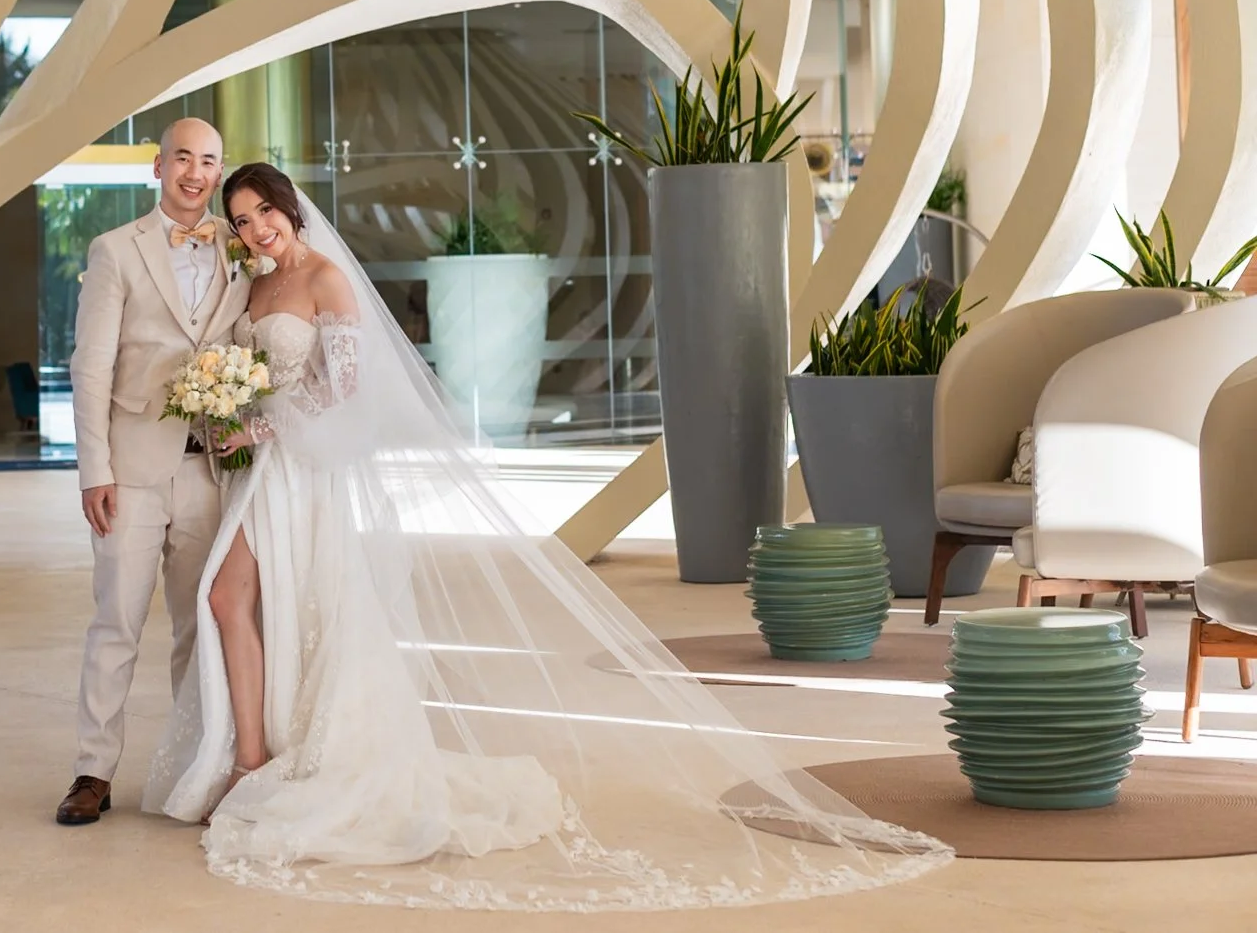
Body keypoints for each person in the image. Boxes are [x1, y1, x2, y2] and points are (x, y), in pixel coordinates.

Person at [142, 162, 952, 912]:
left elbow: (348, 393)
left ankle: (264, 761)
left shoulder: (324, 279)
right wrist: (231, 419)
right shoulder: (252, 289)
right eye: (241, 221)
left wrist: (269, 425)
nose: (255, 231)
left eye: (261, 214)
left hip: (305, 475)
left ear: (288, 208)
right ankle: (251, 754)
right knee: (231, 598)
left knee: (281, 603)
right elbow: (251, 376)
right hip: (261, 474)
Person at [55, 118, 250, 826]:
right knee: (117, 624)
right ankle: (92, 771)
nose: (196, 173)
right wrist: (92, 471)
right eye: (183, 159)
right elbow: (91, 367)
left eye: (209, 161)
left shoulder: (242, 249)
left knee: (200, 629)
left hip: (213, 471)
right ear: (158, 167)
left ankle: (190, 766)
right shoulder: (116, 250)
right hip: (132, 471)